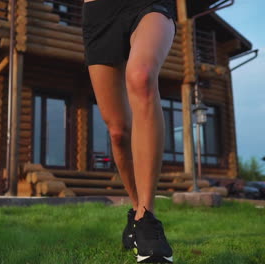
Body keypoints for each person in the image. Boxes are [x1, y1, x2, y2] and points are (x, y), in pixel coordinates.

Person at [81, 0, 176, 263]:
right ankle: (136, 212)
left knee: (141, 77)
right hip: (99, 14)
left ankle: (147, 217)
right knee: (118, 133)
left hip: (148, 6)